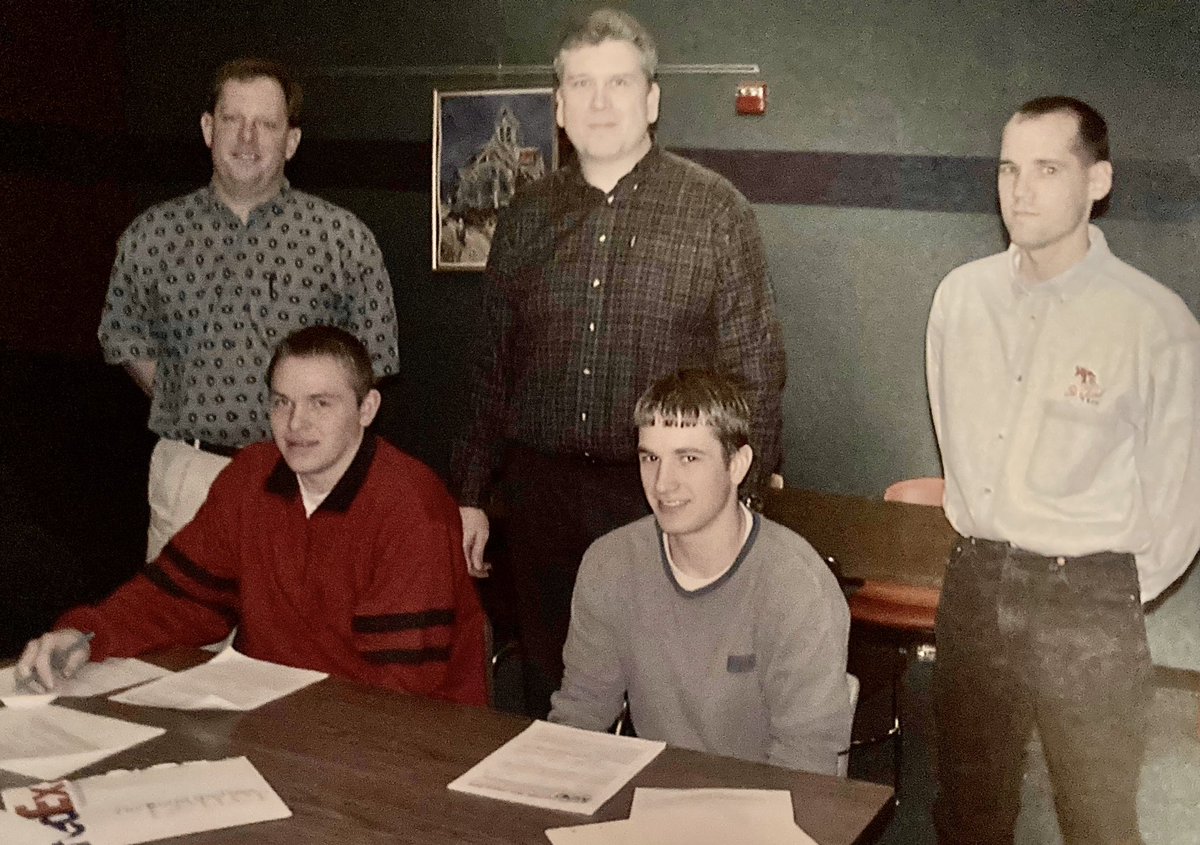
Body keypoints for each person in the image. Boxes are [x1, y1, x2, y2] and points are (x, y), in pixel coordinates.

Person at [450, 7, 785, 717]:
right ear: (559, 107)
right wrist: (471, 491)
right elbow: (489, 365)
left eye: (619, 83)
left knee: (670, 697)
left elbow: (755, 371)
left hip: (664, 495)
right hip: (541, 500)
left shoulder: (715, 211)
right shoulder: (525, 215)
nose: (600, 102)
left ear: (652, 100)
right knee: (556, 694)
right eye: (582, 84)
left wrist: (742, 505)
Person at [926, 96, 1200, 844]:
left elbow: (1182, 504)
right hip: (977, 582)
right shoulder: (960, 299)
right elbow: (955, 443)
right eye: (1009, 169)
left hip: (1090, 601)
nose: (1021, 191)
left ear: (1097, 181)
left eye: (1047, 169)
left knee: (1098, 823)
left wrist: (1103, 590)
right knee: (968, 814)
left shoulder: (1156, 323)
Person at [18, 327, 486, 706]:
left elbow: (400, 692)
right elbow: (181, 598)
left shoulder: (411, 507)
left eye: (320, 403)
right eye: (282, 402)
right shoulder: (251, 477)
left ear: (367, 409)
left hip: (410, 738)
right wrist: (86, 634)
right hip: (271, 717)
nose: (295, 424)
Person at [98, 57, 399, 562]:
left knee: (300, 616)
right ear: (208, 129)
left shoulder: (342, 238)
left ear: (291, 141)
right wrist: (187, 396)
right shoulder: (152, 236)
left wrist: (313, 432)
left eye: (266, 124)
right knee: (176, 613)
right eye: (233, 120)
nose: (247, 138)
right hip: (191, 479)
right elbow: (122, 334)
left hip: (306, 479)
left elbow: (374, 355)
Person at [549, 370, 849, 774]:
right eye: (650, 458)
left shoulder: (796, 586)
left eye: (688, 458)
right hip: (653, 798)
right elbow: (580, 715)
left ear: (737, 465)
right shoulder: (611, 564)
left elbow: (805, 763)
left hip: (763, 801)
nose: (663, 483)